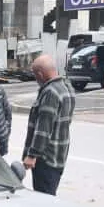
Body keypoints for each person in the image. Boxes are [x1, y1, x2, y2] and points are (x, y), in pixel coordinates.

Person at [22, 54, 75, 195]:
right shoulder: (67, 87)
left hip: (46, 159)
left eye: (35, 74)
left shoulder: (50, 92)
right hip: (59, 156)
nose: (35, 78)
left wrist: (32, 155)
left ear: (40, 73)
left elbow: (43, 129)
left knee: (44, 201)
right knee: (49, 195)